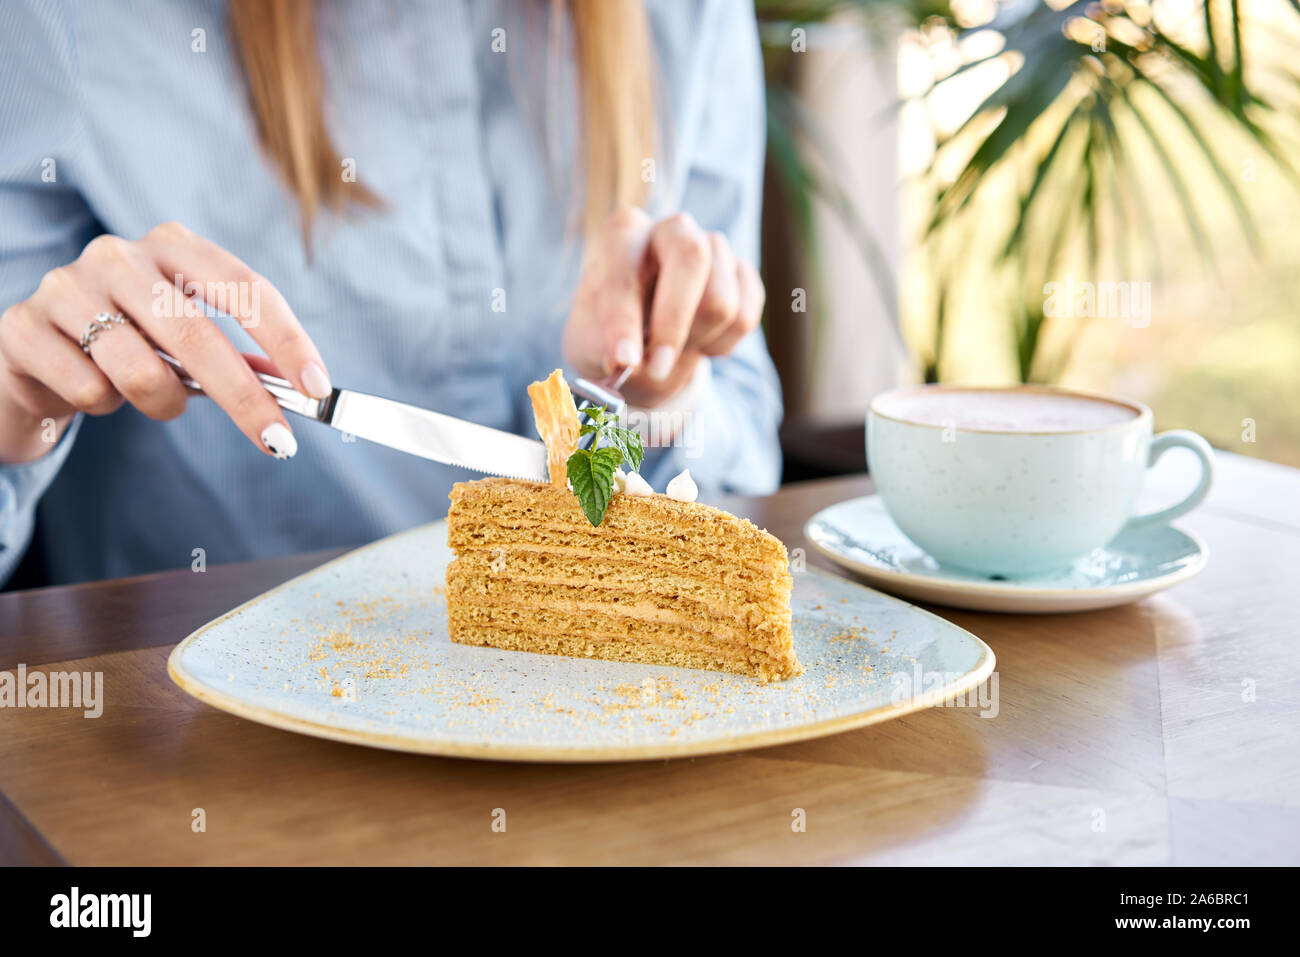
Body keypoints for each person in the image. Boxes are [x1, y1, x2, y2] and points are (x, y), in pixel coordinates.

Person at [0, 0, 782, 587]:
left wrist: (652, 392)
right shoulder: (68, 23)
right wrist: (18, 405)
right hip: (212, 738)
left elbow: (743, 457)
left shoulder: (686, 15)